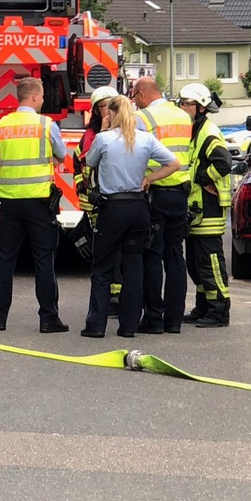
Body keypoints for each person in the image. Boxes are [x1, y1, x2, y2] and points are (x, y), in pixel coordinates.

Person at [81, 95, 181, 337]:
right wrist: (149, 179)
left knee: (102, 267)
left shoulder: (104, 139)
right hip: (138, 208)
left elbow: (89, 164)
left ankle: (96, 326)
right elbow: (174, 164)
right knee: (134, 266)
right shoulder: (146, 139)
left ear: (112, 114)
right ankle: (129, 327)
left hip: (112, 208)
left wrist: (104, 128)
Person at [0, 77, 69, 334]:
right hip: (39, 202)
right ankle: (48, 319)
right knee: (43, 259)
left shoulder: (2, 125)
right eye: (41, 96)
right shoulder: (46, 125)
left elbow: (1, 147)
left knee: (5, 259)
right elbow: (61, 155)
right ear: (33, 97)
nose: (42, 100)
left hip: (9, 202)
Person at [131, 75, 193, 334]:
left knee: (152, 256)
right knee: (175, 256)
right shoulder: (183, 116)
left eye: (134, 98)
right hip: (180, 193)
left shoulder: (143, 118)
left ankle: (154, 319)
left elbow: (132, 153)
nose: (134, 103)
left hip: (154, 190)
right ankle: (174, 320)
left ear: (143, 95)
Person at [177, 82, 233, 328]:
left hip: (209, 209)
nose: (182, 107)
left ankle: (219, 310)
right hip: (197, 209)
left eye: (186, 103)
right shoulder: (194, 129)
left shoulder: (208, 131)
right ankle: (203, 307)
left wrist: (201, 177)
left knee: (210, 262)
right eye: (181, 103)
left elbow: (223, 162)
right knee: (197, 264)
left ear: (200, 107)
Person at [72, 85, 120, 311]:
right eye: (102, 107)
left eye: (111, 106)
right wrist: (83, 190)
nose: (107, 111)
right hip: (95, 205)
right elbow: (79, 166)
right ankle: (108, 298)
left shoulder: (129, 132)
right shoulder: (90, 137)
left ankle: (118, 296)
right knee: (102, 253)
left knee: (120, 252)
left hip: (119, 202)